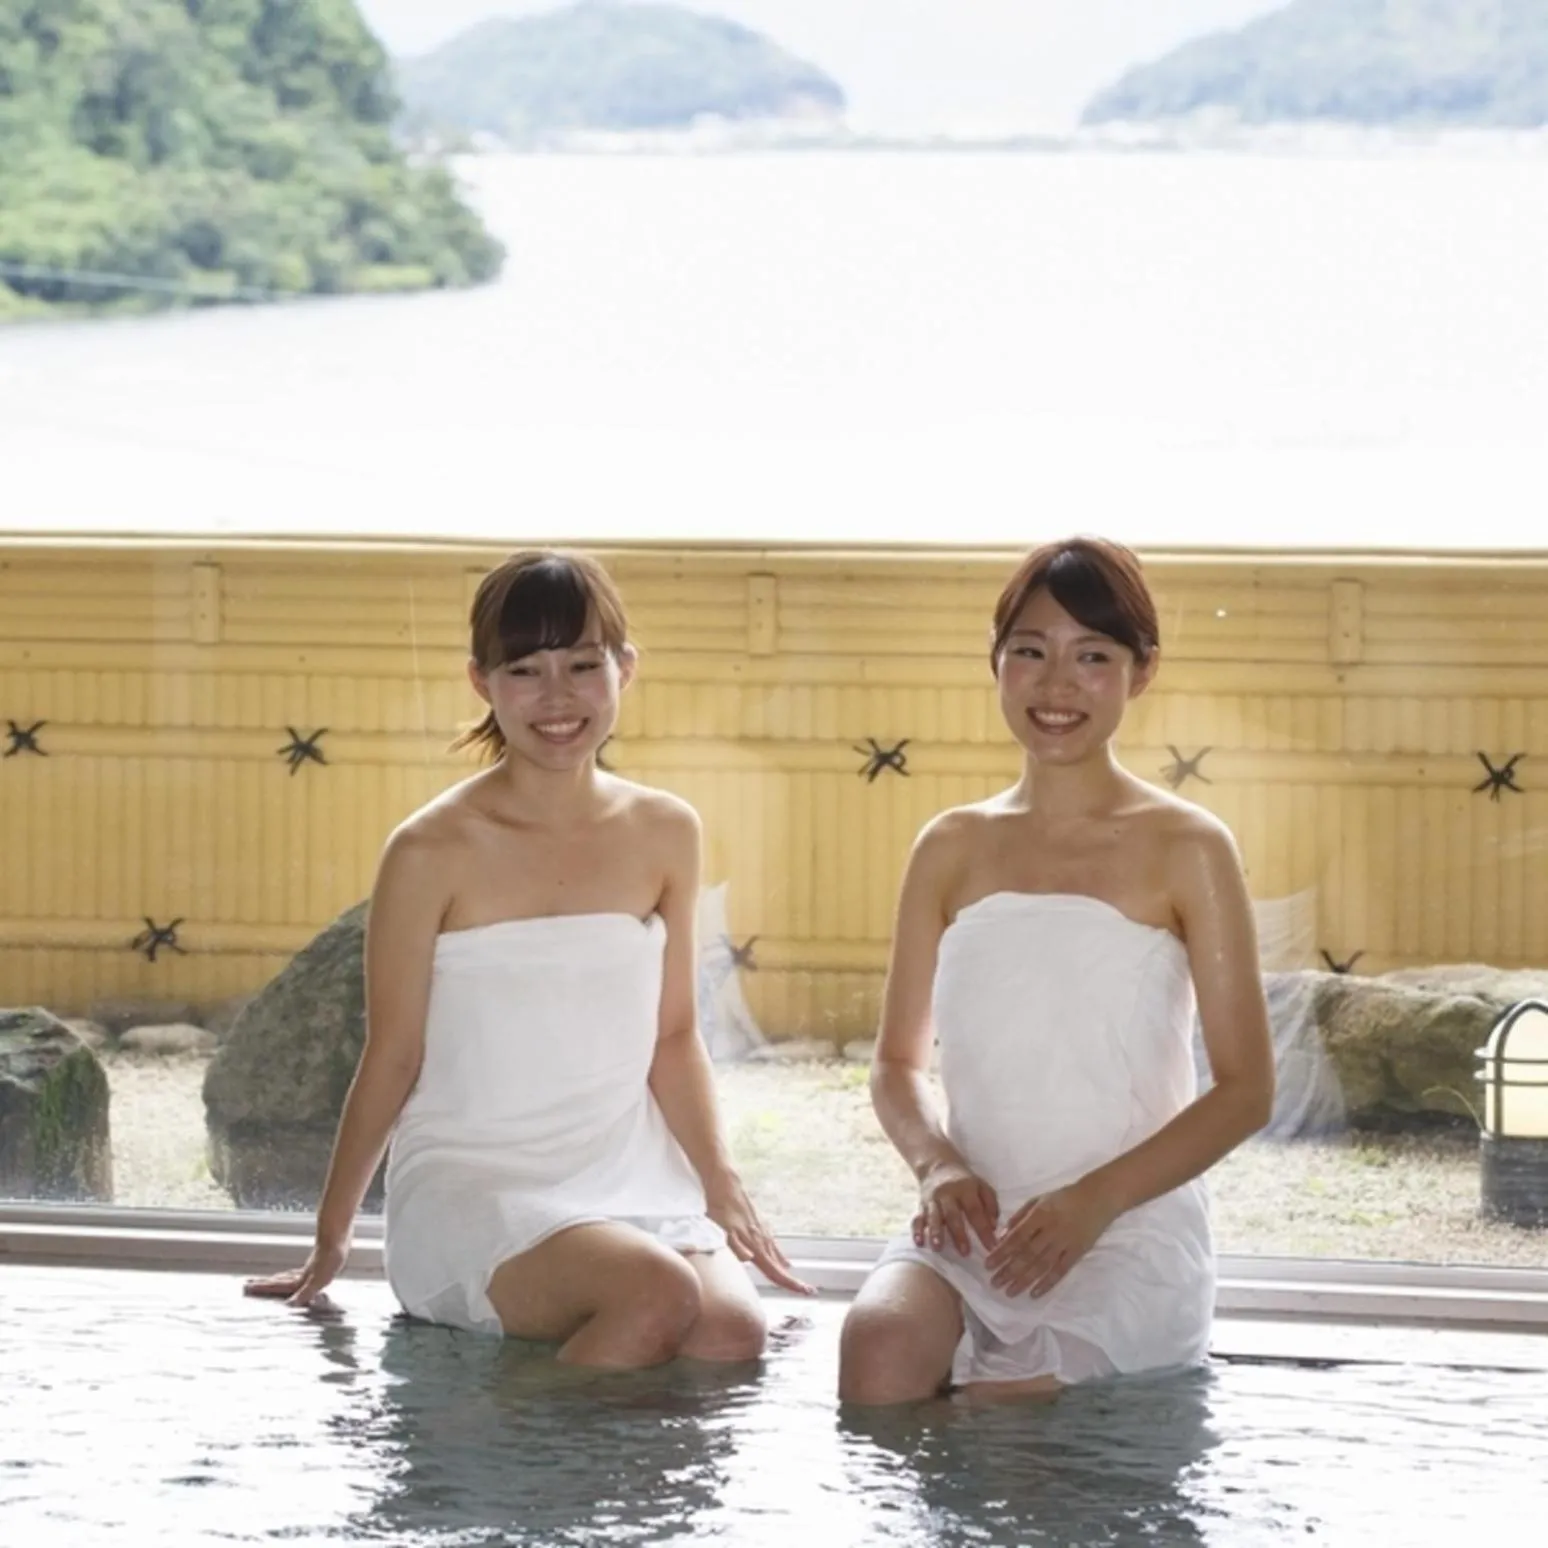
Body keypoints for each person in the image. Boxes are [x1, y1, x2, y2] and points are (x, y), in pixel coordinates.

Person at [247, 549, 811, 1366]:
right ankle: (518, 1470)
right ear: (481, 681)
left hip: (626, 1168)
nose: (558, 697)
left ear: (625, 669)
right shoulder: (429, 849)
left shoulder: (666, 831)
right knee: (656, 1296)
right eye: (526, 670)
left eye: (583, 665)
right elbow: (392, 1053)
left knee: (730, 1335)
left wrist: (722, 1186)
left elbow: (675, 1036)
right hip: (479, 1183)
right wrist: (332, 1240)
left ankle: (600, 1480)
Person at [838, 536, 1274, 1405]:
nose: (1056, 684)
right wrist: (937, 1166)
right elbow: (895, 1065)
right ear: (996, 664)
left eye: (1093, 657)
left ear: (1140, 672)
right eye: (1030, 652)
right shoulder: (951, 846)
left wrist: (1094, 1202)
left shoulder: (1188, 847)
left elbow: (1246, 1090)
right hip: (976, 1224)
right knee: (875, 1354)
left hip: (1124, 1230)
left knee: (1009, 1430)